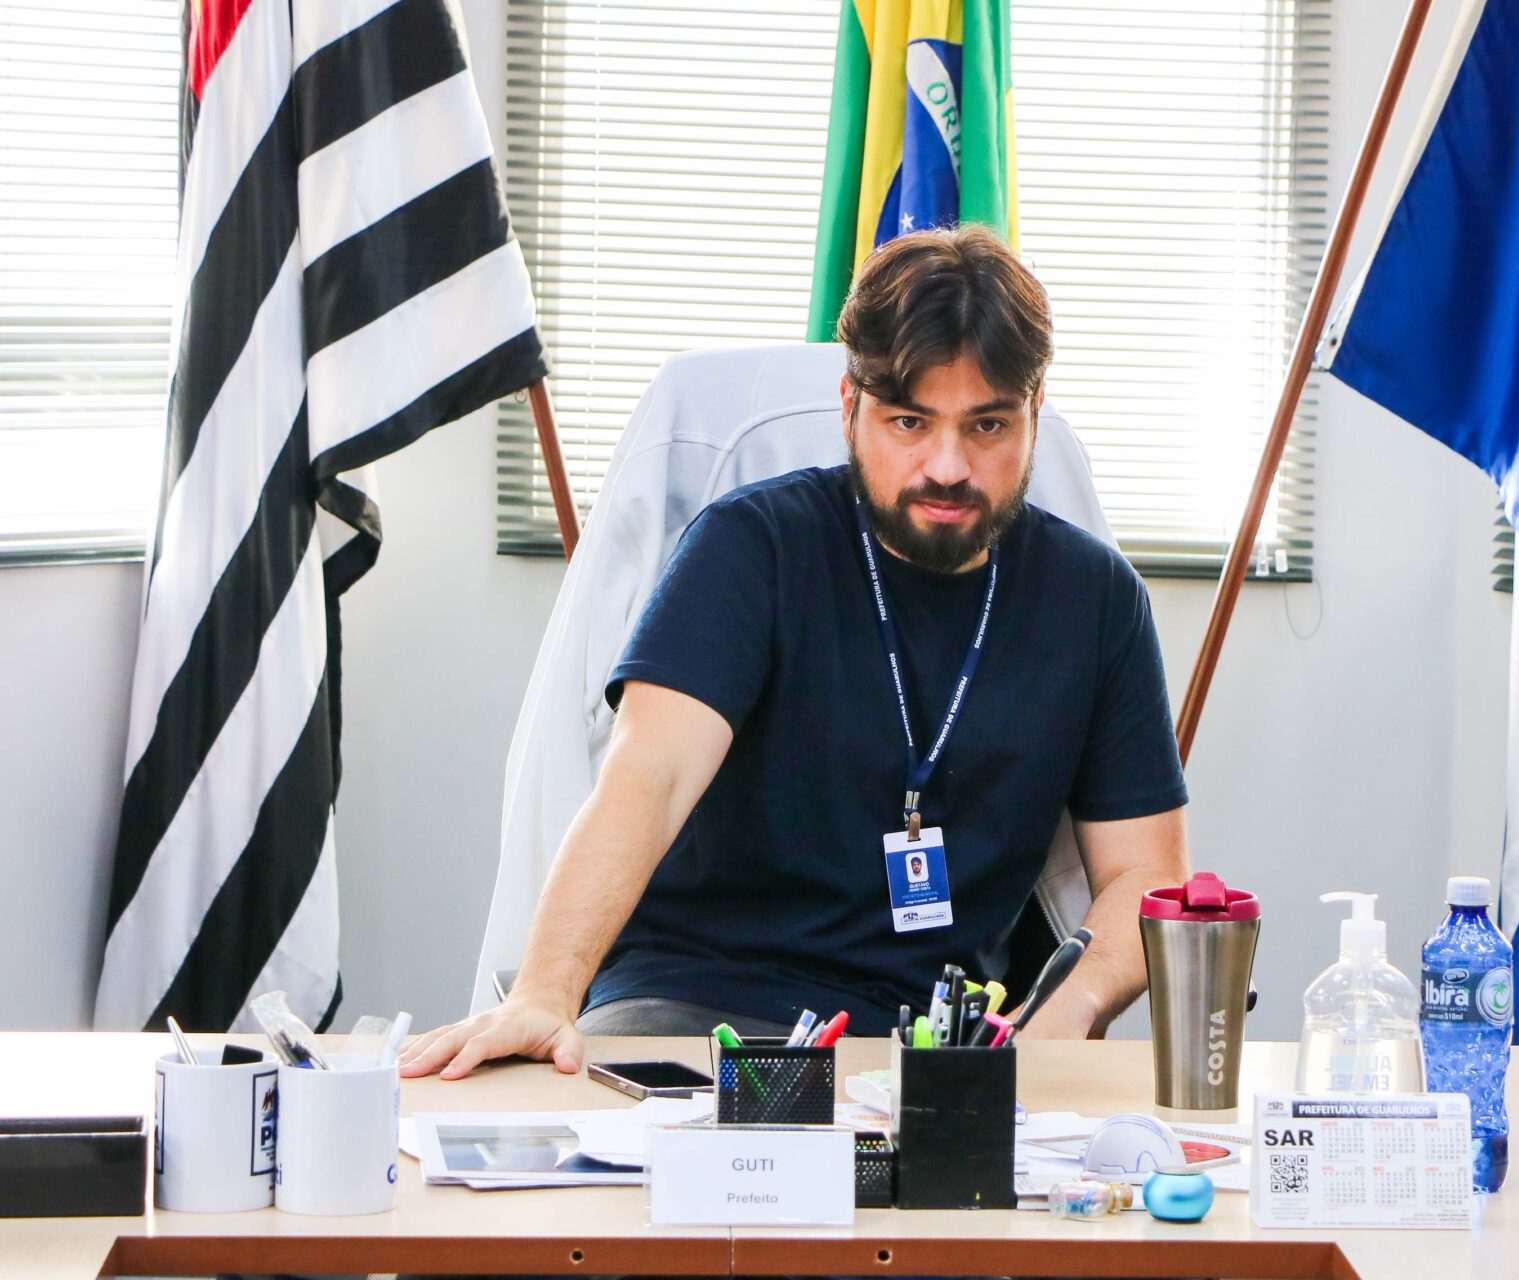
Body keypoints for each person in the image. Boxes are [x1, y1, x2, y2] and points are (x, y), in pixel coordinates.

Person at [402, 227, 1190, 1080]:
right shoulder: (753, 546)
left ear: (1038, 411)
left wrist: (1060, 1014)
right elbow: (649, 775)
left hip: (933, 1037)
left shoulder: (1097, 598)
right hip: (695, 1006)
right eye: (909, 422)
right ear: (849, 407)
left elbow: (1146, 876)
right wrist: (546, 993)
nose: (948, 466)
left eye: (988, 424)